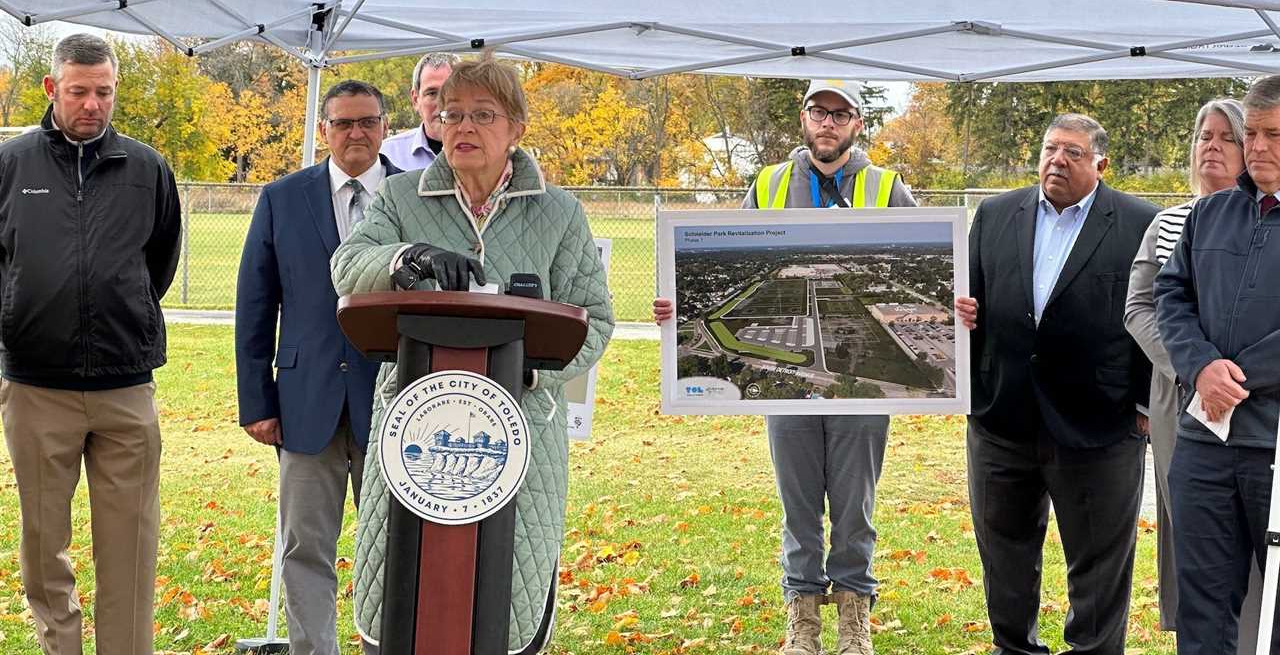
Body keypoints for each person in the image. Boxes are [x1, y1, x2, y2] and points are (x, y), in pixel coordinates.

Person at [331, 56, 613, 654]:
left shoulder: (558, 212)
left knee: (501, 604)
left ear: (516, 128)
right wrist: (408, 258)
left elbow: (597, 318)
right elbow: (346, 267)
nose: (462, 126)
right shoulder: (402, 197)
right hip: (415, 431)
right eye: (451, 112)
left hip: (521, 434)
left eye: (482, 115)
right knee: (407, 600)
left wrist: (528, 374)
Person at [655, 78, 914, 655]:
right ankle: (802, 618)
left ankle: (854, 613)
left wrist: (960, 306)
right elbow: (732, 248)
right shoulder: (769, 183)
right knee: (798, 503)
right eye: (817, 111)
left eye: (840, 114)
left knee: (854, 503)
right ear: (803, 119)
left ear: (857, 124)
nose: (827, 122)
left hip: (861, 398)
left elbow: (942, 257)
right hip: (788, 398)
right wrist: (678, 304)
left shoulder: (889, 187)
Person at [0, 33, 181, 655]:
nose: (92, 105)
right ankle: (61, 646)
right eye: (79, 92)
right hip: (36, 386)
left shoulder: (147, 168)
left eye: (104, 92)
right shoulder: (12, 165)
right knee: (42, 541)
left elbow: (158, 263)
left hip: (124, 388)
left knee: (130, 544)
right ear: (53, 89)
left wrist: (120, 311)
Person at [958, 113, 1157, 655]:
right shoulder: (995, 214)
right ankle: (1013, 647)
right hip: (1002, 421)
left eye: (1073, 152)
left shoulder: (1142, 222)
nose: (1057, 161)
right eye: (1050, 149)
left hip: (1100, 425)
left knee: (1098, 571)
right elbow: (968, 307)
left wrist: (1145, 402)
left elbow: (1155, 318)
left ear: (1101, 163)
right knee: (1005, 558)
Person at [235, 80, 401, 655]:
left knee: (395, 546)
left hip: (395, 400)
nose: (356, 133)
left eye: (367, 121)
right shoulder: (282, 198)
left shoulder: (416, 197)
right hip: (306, 403)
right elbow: (255, 303)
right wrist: (256, 401)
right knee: (305, 547)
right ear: (324, 131)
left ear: (385, 126)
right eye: (343, 123)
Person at [1125, 98, 1264, 644]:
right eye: (1204, 136)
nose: (1212, 146)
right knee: (1195, 534)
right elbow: (1142, 306)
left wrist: (1231, 377)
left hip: (1256, 402)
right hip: (1180, 399)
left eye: (1226, 137)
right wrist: (1193, 368)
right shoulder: (1170, 222)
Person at [1155, 74, 1280, 655]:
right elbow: (1171, 295)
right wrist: (1201, 366)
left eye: (1273, 134)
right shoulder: (1210, 214)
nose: (1256, 148)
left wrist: (1238, 379)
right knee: (1201, 604)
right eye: (1250, 133)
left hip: (1274, 445)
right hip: (1204, 441)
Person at [379, 52, 456, 171]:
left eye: (451, 92)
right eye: (432, 93)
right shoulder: (388, 155)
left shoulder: (488, 151)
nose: (442, 103)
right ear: (415, 100)